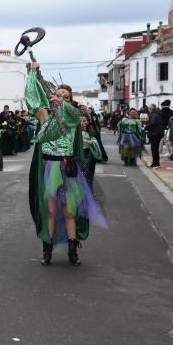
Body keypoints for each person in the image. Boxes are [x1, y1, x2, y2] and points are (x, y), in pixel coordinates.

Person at [26, 62, 107, 266]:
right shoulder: (45, 115)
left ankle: (73, 251)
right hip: (49, 168)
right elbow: (32, 100)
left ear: (70, 100)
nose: (61, 97)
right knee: (51, 212)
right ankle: (48, 251)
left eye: (66, 96)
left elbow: (70, 114)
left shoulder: (72, 115)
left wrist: (62, 104)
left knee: (69, 211)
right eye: (58, 94)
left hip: (68, 168)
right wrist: (32, 74)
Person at [80, 114, 102, 186]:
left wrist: (85, 141)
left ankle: (88, 187)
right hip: (79, 154)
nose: (82, 122)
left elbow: (95, 142)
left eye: (84, 121)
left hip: (88, 154)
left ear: (88, 122)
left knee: (88, 172)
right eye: (80, 121)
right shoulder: (75, 132)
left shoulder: (91, 132)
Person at [146, 104, 164, 169]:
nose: (148, 110)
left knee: (154, 149)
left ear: (151, 109)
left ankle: (155, 164)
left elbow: (152, 123)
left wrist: (146, 127)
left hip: (154, 134)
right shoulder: (158, 114)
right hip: (158, 133)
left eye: (149, 108)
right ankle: (156, 163)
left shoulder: (153, 115)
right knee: (155, 149)